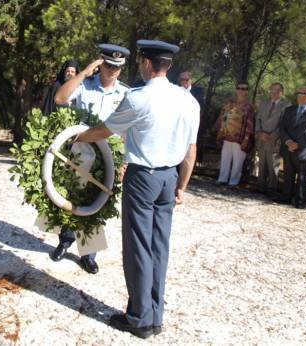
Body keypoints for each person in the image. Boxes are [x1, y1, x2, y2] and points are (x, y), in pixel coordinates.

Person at [75, 39, 200, 339]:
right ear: (168, 66)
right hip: (169, 177)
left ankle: (139, 318)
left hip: (143, 177)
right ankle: (155, 315)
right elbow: (191, 151)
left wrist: (80, 138)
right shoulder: (188, 101)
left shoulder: (139, 98)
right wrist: (181, 187)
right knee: (159, 247)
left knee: (138, 248)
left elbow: (105, 130)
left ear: (146, 63)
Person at [51, 44, 130, 274]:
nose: (111, 70)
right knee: (71, 197)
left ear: (121, 69)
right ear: (100, 63)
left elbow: (128, 132)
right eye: (107, 65)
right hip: (79, 153)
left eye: (116, 67)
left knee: (98, 205)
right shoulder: (85, 86)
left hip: (108, 159)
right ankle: (65, 241)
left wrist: (124, 162)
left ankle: (89, 254)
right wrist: (84, 73)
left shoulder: (126, 94)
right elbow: (60, 98)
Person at [277, 87, 306, 208]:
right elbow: (282, 127)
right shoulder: (289, 110)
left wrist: (298, 144)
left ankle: (300, 201)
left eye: (303, 94)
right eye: (298, 93)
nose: (299, 95)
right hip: (288, 148)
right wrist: (288, 142)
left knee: (302, 178)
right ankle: (286, 197)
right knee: (288, 175)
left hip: (304, 150)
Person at [215, 81, 256, 186]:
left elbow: (250, 124)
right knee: (225, 158)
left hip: (240, 138)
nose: (241, 91)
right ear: (236, 89)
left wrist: (246, 139)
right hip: (226, 135)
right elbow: (221, 118)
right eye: (239, 88)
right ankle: (222, 179)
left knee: (238, 161)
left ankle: (233, 182)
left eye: (244, 89)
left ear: (247, 92)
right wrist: (220, 131)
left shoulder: (249, 107)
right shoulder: (229, 104)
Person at [255, 82, 290, 194]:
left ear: (282, 92)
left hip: (274, 140)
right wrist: (259, 132)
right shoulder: (264, 103)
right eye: (272, 90)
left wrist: (273, 135)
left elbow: (284, 124)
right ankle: (260, 187)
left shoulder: (286, 105)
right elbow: (258, 119)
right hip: (261, 138)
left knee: (272, 165)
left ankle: (271, 189)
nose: (274, 92)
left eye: (277, 90)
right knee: (261, 164)